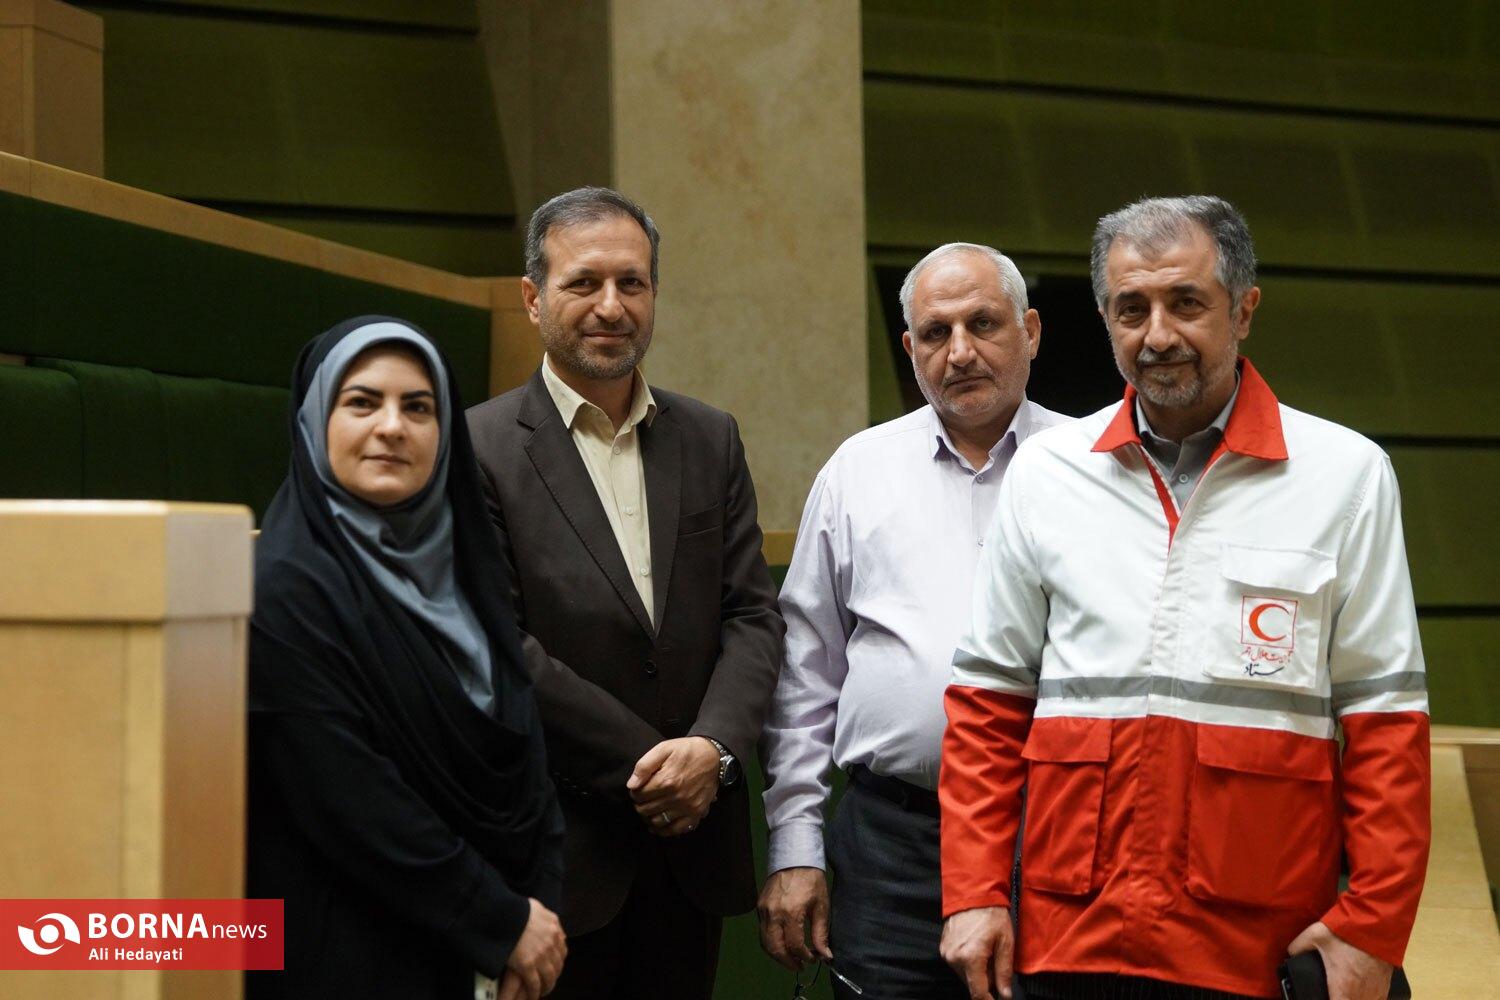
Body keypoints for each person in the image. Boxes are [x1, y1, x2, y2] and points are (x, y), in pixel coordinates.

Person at [939, 196, 1431, 1000]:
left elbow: (1386, 726)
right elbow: (988, 707)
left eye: (1187, 303)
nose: (1158, 335)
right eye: (1131, 309)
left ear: (1244, 310)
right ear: (1106, 319)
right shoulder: (1048, 473)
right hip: (1071, 939)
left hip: (1255, 945)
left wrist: (1372, 928)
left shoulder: (1345, 477)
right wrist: (974, 893)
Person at [466, 187, 785, 999]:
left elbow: (752, 615)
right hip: (558, 852)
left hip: (692, 856)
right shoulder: (476, 447)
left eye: (632, 283)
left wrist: (711, 752)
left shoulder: (710, 438)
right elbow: (495, 641)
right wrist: (653, 767)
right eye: (583, 282)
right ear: (533, 297)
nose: (611, 306)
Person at [758, 243, 1068, 998]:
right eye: (935, 332)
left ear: (1030, 331)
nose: (959, 352)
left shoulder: (1091, 466)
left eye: (983, 324)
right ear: (909, 348)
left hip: (1056, 838)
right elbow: (805, 673)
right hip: (892, 845)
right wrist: (796, 845)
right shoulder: (857, 472)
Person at [247, 316, 566, 1000]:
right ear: (314, 421)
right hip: (347, 958)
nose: (392, 427)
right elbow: (350, 797)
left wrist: (539, 907)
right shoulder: (281, 589)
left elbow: (527, 753)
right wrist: (501, 920)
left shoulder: (466, 570)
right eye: (362, 402)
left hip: (493, 952)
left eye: (418, 408)